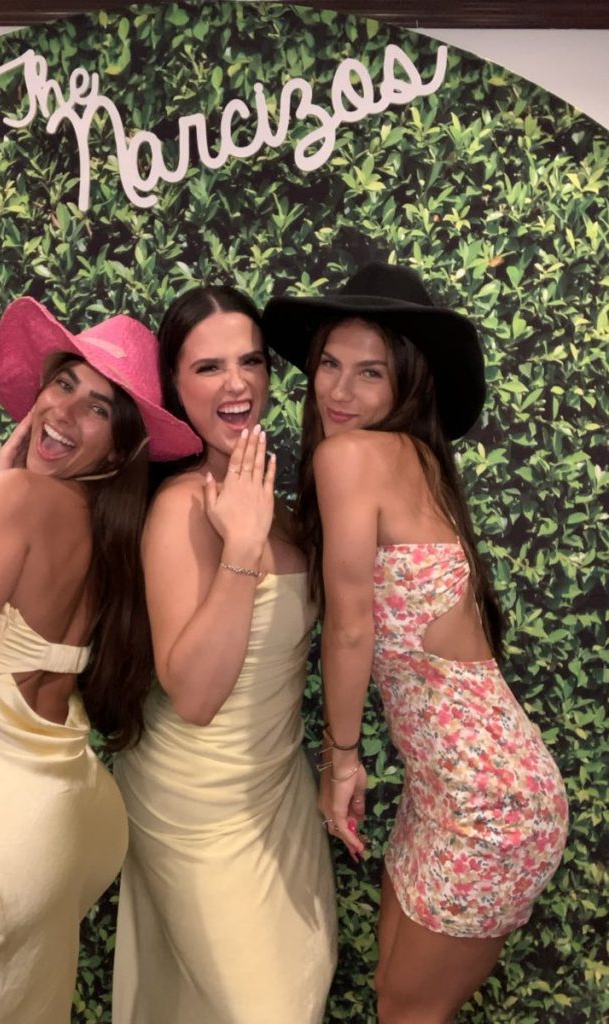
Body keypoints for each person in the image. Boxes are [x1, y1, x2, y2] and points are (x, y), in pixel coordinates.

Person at [262, 262, 569, 1023]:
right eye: (329, 364)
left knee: (406, 1009)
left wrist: (341, 761)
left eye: (370, 372)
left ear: (409, 382)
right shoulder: (419, 459)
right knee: (395, 997)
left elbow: (353, 625)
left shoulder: (348, 457)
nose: (339, 391)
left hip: (488, 799)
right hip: (449, 790)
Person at [0, 297, 201, 1024]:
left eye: (100, 408)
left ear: (122, 447)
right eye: (65, 383)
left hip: (1, 828)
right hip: (66, 818)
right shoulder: (103, 527)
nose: (66, 411)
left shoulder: (27, 504)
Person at [111, 285, 337, 1024]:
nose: (237, 383)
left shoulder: (290, 508)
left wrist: (343, 757)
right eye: (208, 368)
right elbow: (198, 697)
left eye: (251, 361)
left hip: (277, 793)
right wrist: (241, 547)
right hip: (195, 807)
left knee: (300, 984)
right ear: (174, 388)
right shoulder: (180, 508)